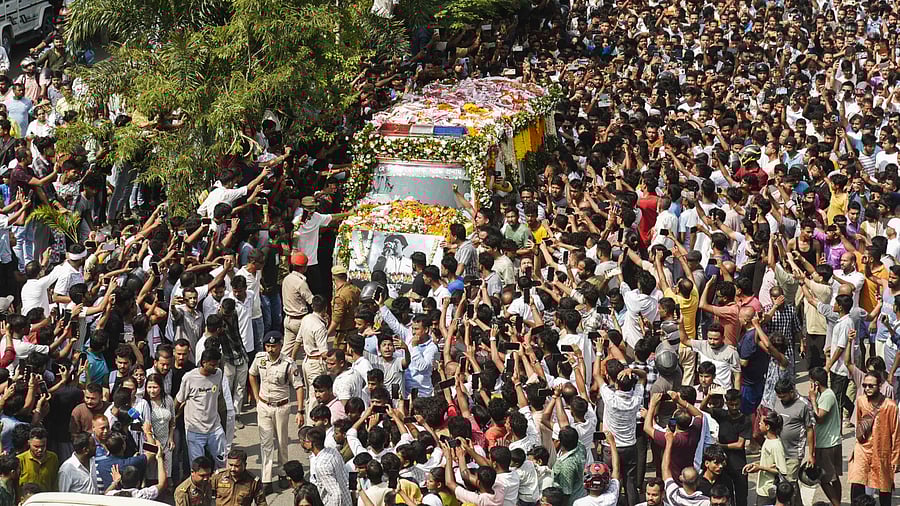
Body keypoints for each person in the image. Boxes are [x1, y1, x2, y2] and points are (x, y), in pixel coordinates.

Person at [249, 331, 303, 493]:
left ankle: (282, 472)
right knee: (266, 443)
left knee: (281, 442)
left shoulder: (288, 363)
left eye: (273, 346)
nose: (270, 349)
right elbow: (252, 375)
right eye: (268, 346)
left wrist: (300, 411)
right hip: (264, 405)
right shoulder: (260, 358)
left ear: (280, 345)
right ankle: (266, 479)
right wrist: (256, 397)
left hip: (281, 407)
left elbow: (298, 386)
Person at [175, 348, 235, 469]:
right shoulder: (189, 378)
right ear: (203, 363)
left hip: (215, 427)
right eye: (212, 365)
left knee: (223, 460)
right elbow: (179, 400)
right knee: (198, 466)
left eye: (217, 364)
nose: (215, 367)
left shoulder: (218, 374)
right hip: (195, 429)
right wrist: (173, 417)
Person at [847, 371, 900, 506]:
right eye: (865, 385)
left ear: (880, 385)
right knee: (857, 482)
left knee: (884, 488)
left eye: (871, 386)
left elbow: (896, 434)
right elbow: (859, 426)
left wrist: (895, 459)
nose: (867, 389)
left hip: (882, 452)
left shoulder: (890, 406)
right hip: (863, 450)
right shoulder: (861, 401)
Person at [306, 425, 351, 506]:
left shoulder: (322, 466)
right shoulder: (333, 451)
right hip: (347, 500)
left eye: (306, 441)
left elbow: (336, 495)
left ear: (311, 443)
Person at [16, 426, 58, 493]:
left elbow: (55, 483)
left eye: (43, 446)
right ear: (29, 443)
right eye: (36, 446)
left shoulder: (53, 458)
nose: (40, 450)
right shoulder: (20, 459)